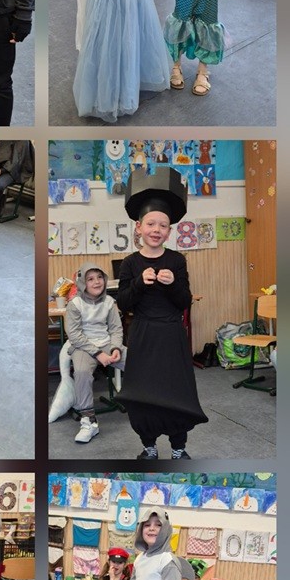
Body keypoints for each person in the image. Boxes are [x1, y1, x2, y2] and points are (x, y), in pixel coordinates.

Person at [116, 168, 208, 460]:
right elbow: (123, 304)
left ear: (170, 231)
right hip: (143, 335)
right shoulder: (130, 263)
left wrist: (172, 285)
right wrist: (139, 284)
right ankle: (149, 446)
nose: (156, 230)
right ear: (139, 226)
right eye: (151, 223)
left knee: (175, 391)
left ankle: (179, 449)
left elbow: (184, 302)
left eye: (163, 225)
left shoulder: (177, 260)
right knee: (143, 392)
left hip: (171, 334)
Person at [64, 263, 125, 444]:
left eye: (99, 277)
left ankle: (149, 405)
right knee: (82, 372)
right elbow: (74, 335)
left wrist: (115, 348)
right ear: (83, 283)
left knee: (138, 362)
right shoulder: (75, 304)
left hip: (106, 343)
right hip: (83, 346)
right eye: (90, 279)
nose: (97, 282)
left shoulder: (110, 302)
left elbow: (116, 329)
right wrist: (98, 354)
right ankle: (89, 421)